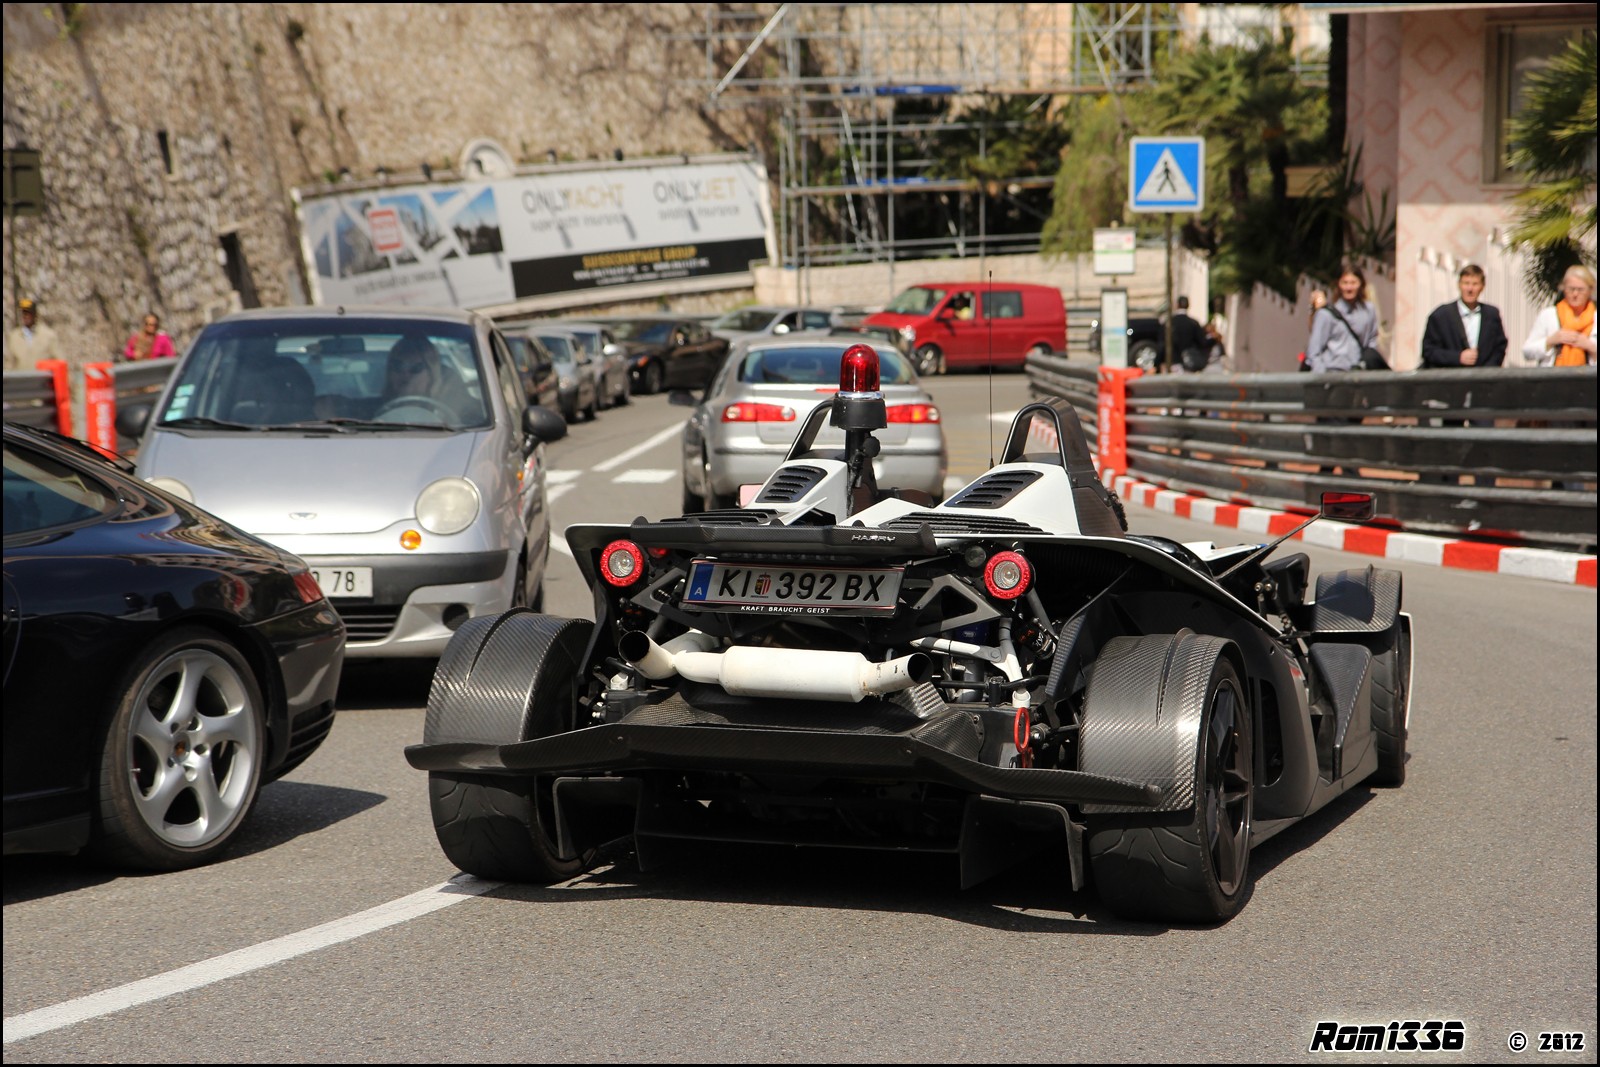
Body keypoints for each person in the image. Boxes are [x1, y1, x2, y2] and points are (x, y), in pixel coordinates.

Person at [1420, 264, 1508, 368]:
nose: (1470, 289)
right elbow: (1428, 351)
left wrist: (1487, 371)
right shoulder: (1441, 316)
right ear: (1459, 285)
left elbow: (1500, 347)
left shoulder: (1492, 314)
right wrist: (1458, 357)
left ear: (1482, 286)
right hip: (1451, 376)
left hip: (1484, 376)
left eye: (1475, 284)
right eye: (1466, 283)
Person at [1305, 264, 1380, 373]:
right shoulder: (1326, 314)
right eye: (1345, 283)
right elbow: (1313, 352)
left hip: (1358, 374)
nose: (1349, 288)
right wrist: (1323, 376)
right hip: (1333, 373)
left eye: (1353, 283)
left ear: (1361, 284)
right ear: (1339, 285)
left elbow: (1372, 341)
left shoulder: (1368, 311)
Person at [1521, 265, 1597, 366]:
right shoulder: (1549, 315)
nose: (1575, 294)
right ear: (1563, 288)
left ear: (1590, 290)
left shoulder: (1595, 318)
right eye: (1571, 289)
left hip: (1587, 376)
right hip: (1552, 375)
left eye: (1580, 289)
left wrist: (1591, 347)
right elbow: (1527, 352)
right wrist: (1550, 341)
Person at [5, 297, 61, 371]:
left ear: (35, 315)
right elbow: (9, 363)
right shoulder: (14, 337)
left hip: (42, 377)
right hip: (21, 377)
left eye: (28, 313)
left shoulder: (48, 336)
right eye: (23, 313)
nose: (25, 316)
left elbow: (59, 361)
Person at [1169, 295, 1209, 372]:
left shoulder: (1170, 323)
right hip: (1190, 362)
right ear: (1188, 305)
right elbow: (1202, 342)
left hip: (1173, 362)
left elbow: (1162, 344)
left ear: (1177, 305)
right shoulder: (1193, 323)